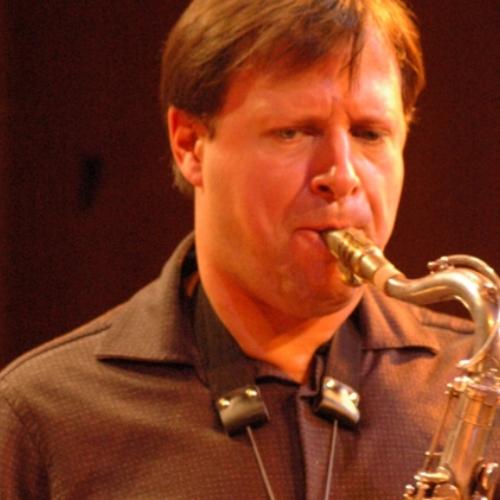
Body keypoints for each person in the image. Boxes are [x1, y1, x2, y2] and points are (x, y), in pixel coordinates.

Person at [1, 0, 498, 498]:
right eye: (293, 132)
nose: (342, 176)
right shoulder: (41, 418)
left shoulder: (480, 386)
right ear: (189, 144)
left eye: (370, 134)